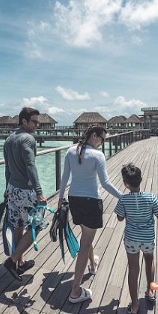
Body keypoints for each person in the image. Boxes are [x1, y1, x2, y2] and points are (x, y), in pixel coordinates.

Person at [58, 125, 122, 304]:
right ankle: (75, 291)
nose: (102, 143)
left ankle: (92, 265)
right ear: (94, 136)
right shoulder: (97, 155)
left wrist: (60, 197)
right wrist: (123, 197)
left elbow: (65, 177)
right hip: (91, 201)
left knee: (86, 234)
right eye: (102, 139)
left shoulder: (70, 151)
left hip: (74, 200)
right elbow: (106, 183)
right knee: (85, 243)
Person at [114, 163, 158, 314]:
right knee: (149, 260)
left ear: (125, 183)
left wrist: (126, 213)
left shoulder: (123, 200)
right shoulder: (151, 198)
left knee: (133, 268)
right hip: (147, 238)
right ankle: (150, 291)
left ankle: (135, 306)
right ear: (141, 179)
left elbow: (120, 218)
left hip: (131, 239)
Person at [2, 107, 47, 281]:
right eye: (34, 121)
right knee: (37, 225)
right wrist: (40, 192)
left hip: (13, 189)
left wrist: (7, 188)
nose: (37, 124)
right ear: (24, 121)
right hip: (26, 191)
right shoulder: (28, 139)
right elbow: (30, 166)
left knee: (19, 223)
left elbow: (7, 167)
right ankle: (12, 261)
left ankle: (20, 262)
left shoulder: (9, 139)